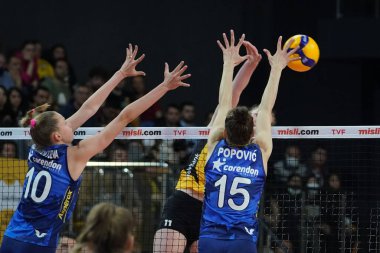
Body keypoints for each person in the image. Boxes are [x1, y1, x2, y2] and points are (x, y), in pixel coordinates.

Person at [0, 44, 191, 253]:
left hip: (11, 237)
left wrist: (120, 73)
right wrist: (164, 87)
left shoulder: (37, 147)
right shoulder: (74, 156)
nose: (70, 122)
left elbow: (88, 108)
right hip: (38, 243)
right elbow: (124, 117)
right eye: (65, 121)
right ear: (57, 135)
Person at [153, 30, 262, 253]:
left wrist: (230, 63)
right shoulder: (218, 135)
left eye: (257, 117)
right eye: (252, 114)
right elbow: (231, 95)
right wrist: (251, 64)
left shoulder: (255, 157)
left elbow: (231, 101)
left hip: (214, 217)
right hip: (184, 203)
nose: (253, 116)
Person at [198, 34, 299, 253]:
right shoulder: (261, 150)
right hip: (242, 241)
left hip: (209, 238)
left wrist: (227, 64)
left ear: (225, 130)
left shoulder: (215, 143)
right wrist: (277, 68)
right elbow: (265, 108)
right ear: (252, 131)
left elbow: (224, 102)